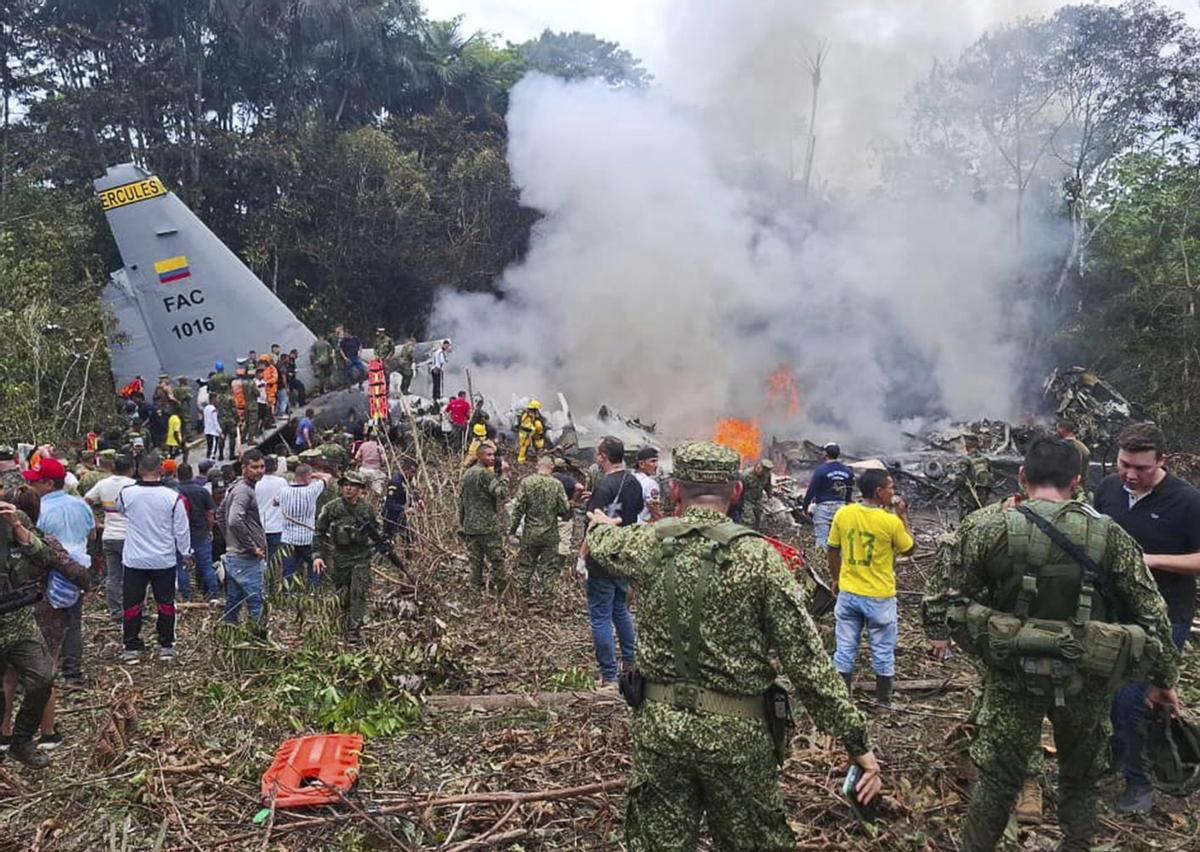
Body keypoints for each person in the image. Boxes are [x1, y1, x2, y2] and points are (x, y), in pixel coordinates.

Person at [586, 441, 881, 850]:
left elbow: (603, 542)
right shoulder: (760, 558)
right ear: (737, 491)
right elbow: (808, 663)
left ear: (675, 491)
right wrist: (855, 742)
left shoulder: (645, 544)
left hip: (660, 735)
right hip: (739, 741)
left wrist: (600, 524)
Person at [923, 436, 1181, 851]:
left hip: (1011, 674)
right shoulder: (1109, 534)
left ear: (1022, 476)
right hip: (1086, 675)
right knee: (1081, 778)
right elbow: (1153, 613)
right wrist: (1164, 680)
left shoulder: (985, 526)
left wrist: (960, 636)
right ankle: (1076, 844)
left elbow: (940, 599)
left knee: (998, 779)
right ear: (1077, 482)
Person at [1092, 422, 1200, 814]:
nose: (1131, 475)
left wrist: (1150, 561)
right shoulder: (1108, 489)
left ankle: (1139, 783)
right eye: (1124, 464)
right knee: (1104, 694)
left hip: (1164, 617)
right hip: (1111, 613)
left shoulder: (1187, 501)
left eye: (1141, 468)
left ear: (1161, 461)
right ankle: (1115, 757)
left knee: (1132, 700)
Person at [3, 486, 92, 753]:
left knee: (10, 676)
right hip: (45, 614)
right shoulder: (43, 540)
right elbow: (75, 571)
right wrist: (84, 584)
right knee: (45, 673)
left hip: (11, 616)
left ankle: (5, 734)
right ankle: (47, 732)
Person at [827, 468, 914, 708]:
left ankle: (841, 701)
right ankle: (883, 702)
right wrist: (903, 516)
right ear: (878, 492)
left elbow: (832, 550)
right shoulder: (890, 521)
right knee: (883, 650)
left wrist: (836, 579)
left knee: (844, 649)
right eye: (890, 488)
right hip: (879, 597)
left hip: (849, 594)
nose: (893, 492)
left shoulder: (844, 514)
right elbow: (909, 549)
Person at [0, 491, 66, 768]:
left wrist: (16, 526)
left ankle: (22, 740)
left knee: (43, 676)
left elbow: (44, 556)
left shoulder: (14, 518)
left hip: (18, 618)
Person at [23, 457, 94, 689]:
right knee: (73, 621)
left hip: (48, 572)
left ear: (49, 484)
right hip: (77, 571)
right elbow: (92, 534)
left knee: (43, 622)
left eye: (35, 482)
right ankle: (73, 673)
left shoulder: (39, 510)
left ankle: (42, 672)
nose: (31, 486)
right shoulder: (81, 505)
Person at [117, 453, 191, 663]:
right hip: (163, 559)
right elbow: (181, 529)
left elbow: (121, 511)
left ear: (139, 470)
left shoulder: (126, 493)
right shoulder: (173, 497)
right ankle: (166, 645)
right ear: (161, 470)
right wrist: (186, 552)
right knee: (165, 603)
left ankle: (131, 647)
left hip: (134, 559)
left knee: (132, 604)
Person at [582, 436, 644, 687]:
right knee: (621, 609)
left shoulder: (604, 486)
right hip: (624, 555)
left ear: (603, 457)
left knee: (600, 616)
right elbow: (636, 511)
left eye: (597, 453)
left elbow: (593, 525)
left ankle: (608, 675)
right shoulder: (633, 482)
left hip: (601, 558)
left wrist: (582, 555)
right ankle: (630, 661)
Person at [313, 470, 380, 643]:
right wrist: (318, 555)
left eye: (352, 486)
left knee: (358, 592)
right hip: (339, 557)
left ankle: (353, 630)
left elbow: (376, 531)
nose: (348, 489)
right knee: (342, 593)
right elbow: (319, 532)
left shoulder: (366, 509)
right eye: (345, 485)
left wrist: (379, 548)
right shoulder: (332, 508)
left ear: (360, 489)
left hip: (361, 557)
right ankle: (342, 622)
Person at [217, 449, 267, 631]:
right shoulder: (243, 491)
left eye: (262, 467)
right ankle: (259, 637)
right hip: (246, 558)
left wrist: (231, 541)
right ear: (244, 468)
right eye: (254, 467)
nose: (259, 471)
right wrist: (250, 547)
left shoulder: (236, 487)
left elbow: (220, 515)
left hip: (235, 555)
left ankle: (229, 631)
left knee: (235, 598)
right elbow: (234, 519)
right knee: (256, 600)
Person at [509, 457, 571, 599]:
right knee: (548, 567)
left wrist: (512, 531)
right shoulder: (557, 485)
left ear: (537, 466)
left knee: (526, 565)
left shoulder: (527, 482)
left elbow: (518, 509)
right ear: (552, 467)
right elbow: (564, 508)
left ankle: (523, 595)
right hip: (550, 534)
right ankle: (547, 596)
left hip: (530, 533)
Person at [85, 454, 137, 623]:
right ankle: (134, 609)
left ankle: (115, 610)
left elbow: (86, 501)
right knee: (134, 575)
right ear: (132, 469)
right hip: (129, 536)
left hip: (109, 535)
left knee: (113, 576)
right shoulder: (133, 485)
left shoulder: (103, 484)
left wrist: (95, 521)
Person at [459, 443, 509, 591]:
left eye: (493, 454)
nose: (492, 458)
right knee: (497, 560)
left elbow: (462, 501)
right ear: (479, 456)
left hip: (470, 526)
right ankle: (501, 591)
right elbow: (502, 493)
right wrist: (504, 474)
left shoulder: (467, 474)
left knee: (475, 562)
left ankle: (474, 591)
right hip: (487, 527)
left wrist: (462, 522)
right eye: (489, 454)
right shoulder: (485, 474)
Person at [278, 463, 329, 586]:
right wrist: (314, 475)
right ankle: (313, 590)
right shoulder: (312, 490)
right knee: (314, 566)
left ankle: (288, 592)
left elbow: (275, 502)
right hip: (307, 537)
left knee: (288, 571)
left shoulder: (283, 490)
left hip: (288, 538)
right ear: (308, 476)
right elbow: (327, 476)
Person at [176, 464, 220, 603]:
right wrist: (209, 529)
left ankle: (186, 596)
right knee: (206, 565)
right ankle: (214, 594)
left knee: (182, 566)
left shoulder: (174, 492)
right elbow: (210, 513)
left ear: (178, 475)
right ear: (192, 474)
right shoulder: (202, 491)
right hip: (201, 533)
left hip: (181, 535)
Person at [802, 442, 855, 549]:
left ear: (825, 454)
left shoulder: (821, 470)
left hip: (823, 508)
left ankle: (822, 558)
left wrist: (805, 506)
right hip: (841, 508)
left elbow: (812, 490)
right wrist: (848, 501)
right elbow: (849, 488)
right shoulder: (847, 470)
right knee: (841, 539)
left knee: (822, 539)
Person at [255, 455, 288, 567]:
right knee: (276, 563)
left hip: (259, 528)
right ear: (275, 467)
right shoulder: (282, 482)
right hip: (278, 528)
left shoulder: (256, 483)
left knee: (261, 562)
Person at [953, 434, 995, 519]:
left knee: (966, 516)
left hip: (969, 493)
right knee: (980, 514)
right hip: (982, 492)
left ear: (967, 446)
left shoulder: (965, 460)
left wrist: (953, 490)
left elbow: (960, 478)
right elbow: (991, 474)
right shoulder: (984, 459)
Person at [383, 461, 420, 552]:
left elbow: (411, 492)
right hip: (392, 517)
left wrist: (418, 500)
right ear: (405, 470)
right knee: (389, 540)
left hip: (402, 517)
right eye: (412, 472)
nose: (413, 475)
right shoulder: (396, 482)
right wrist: (404, 509)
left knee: (409, 537)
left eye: (415, 472)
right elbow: (389, 503)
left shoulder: (407, 481)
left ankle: (407, 556)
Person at [739, 459, 774, 531]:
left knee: (758, 519)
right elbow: (740, 489)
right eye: (762, 471)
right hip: (747, 501)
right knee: (749, 520)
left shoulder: (766, 475)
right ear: (758, 467)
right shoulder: (746, 475)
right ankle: (745, 534)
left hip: (758, 500)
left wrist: (770, 495)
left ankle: (754, 533)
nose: (763, 474)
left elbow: (768, 485)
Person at [632, 446, 662, 523]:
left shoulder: (630, 478)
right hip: (644, 525)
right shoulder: (650, 483)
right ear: (641, 464)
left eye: (656, 461)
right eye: (652, 461)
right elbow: (656, 512)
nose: (656, 465)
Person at [1056, 419, 1091, 485]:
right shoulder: (1083, 448)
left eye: (1058, 428)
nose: (1056, 431)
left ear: (1063, 429)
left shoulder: (1058, 446)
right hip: (1078, 486)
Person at [429, 338, 451, 403]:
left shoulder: (443, 352)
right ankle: (435, 396)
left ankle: (438, 395)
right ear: (443, 345)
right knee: (436, 383)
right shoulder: (439, 352)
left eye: (447, 346)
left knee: (438, 383)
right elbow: (437, 361)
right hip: (436, 369)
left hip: (439, 369)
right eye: (446, 345)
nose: (447, 347)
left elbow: (445, 360)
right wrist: (437, 368)